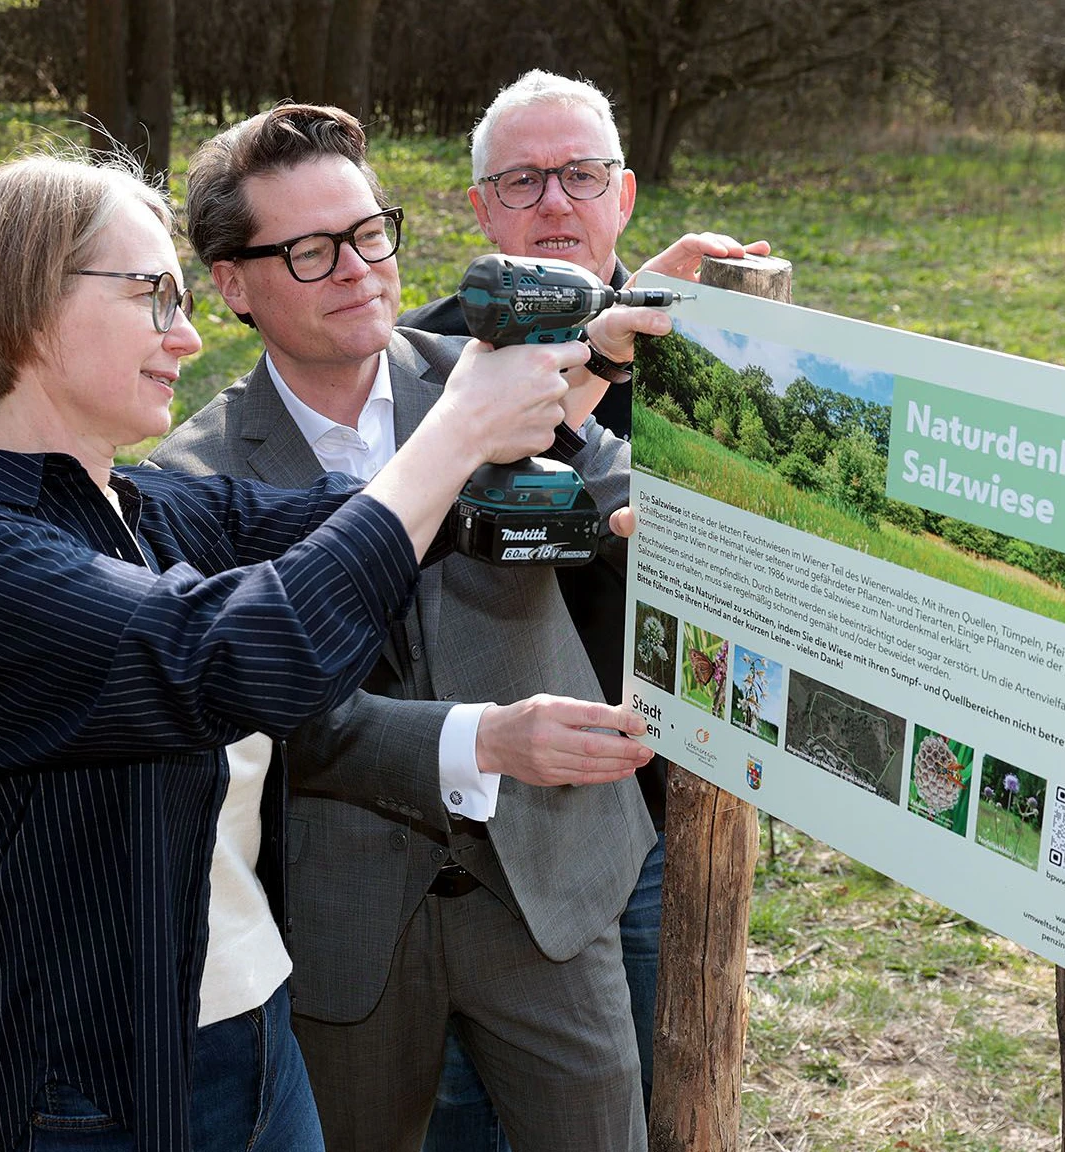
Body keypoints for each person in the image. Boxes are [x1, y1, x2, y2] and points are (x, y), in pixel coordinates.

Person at [0, 152, 626, 1152]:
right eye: (153, 297)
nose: (185, 336)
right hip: (94, 1086)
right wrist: (456, 430)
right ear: (27, 307)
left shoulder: (139, 506)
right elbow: (255, 651)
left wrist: (557, 412)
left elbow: (357, 522)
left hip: (254, 1030)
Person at [153, 102, 659, 1152]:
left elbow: (621, 501)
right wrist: (481, 738)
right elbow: (273, 709)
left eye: (367, 233)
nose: (356, 270)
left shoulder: (505, 375)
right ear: (231, 285)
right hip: (342, 918)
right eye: (307, 250)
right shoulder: (191, 482)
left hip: (549, 886)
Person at [397, 70, 768, 1147]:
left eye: (579, 175)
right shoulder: (424, 368)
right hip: (475, 832)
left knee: (643, 1102)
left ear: (626, 193)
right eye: (519, 181)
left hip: (658, 812)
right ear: (478, 209)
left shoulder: (716, 360)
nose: (553, 203)